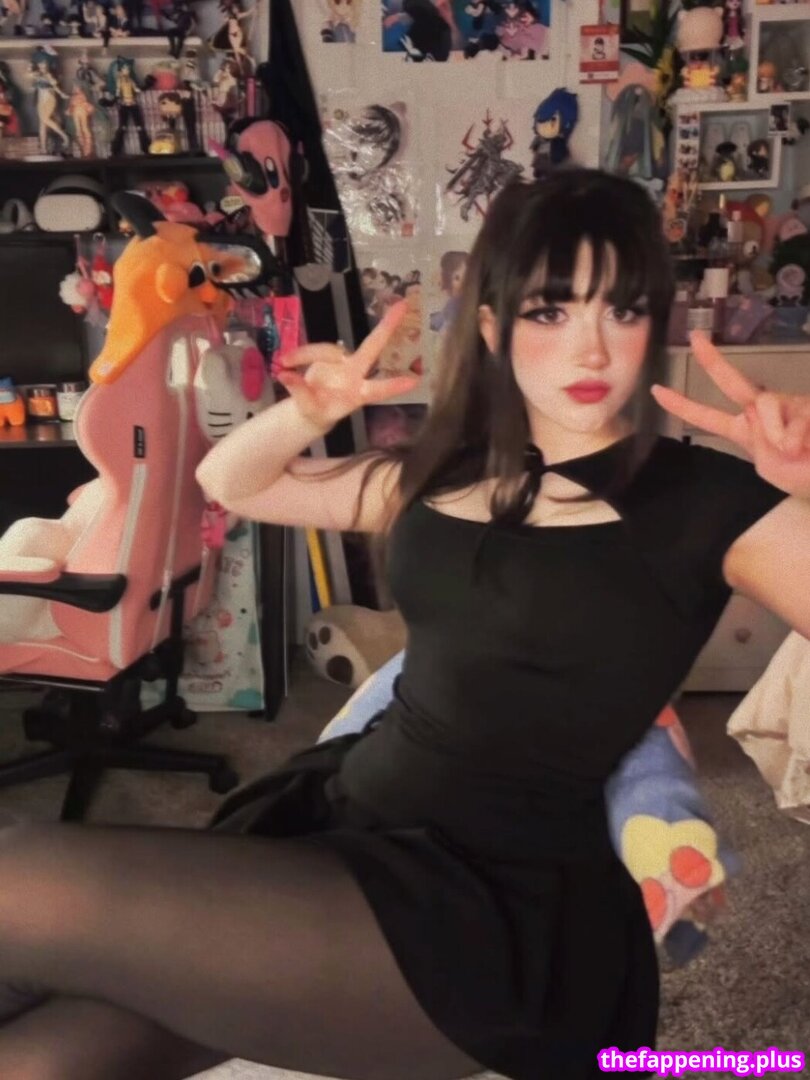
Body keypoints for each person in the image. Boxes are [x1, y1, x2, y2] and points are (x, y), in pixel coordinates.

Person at [0, 168, 808, 1080]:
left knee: (15, 878)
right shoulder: (444, 471)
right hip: (347, 819)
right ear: (493, 329)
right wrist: (308, 413)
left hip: (490, 912)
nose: (590, 350)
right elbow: (232, 483)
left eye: (621, 310)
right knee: (41, 1061)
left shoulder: (712, 503)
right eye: (550, 311)